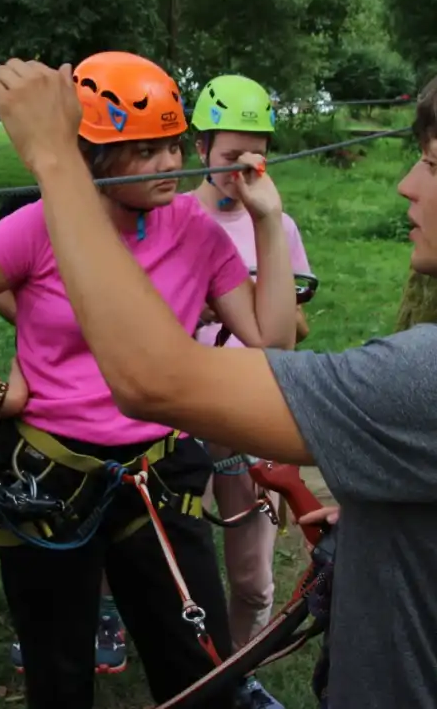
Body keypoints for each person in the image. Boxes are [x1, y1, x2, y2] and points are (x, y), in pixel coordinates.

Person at [0, 54, 437, 709]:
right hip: (54, 469)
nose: (407, 184)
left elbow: (154, 377)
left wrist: (55, 159)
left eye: (432, 164)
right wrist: (393, 522)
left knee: (186, 654)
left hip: (152, 466)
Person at [0, 51, 298, 709]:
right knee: (59, 677)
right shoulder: (36, 226)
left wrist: (267, 222)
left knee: (202, 670)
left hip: (160, 473)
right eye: (143, 150)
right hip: (50, 479)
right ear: (91, 156)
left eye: (171, 144)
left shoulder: (192, 228)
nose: (169, 163)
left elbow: (270, 341)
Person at [188, 74, 313, 709]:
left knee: (252, 573)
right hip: (180, 413)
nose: (243, 168)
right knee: (168, 555)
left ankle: (241, 672)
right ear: (201, 145)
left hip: (248, 410)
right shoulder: (172, 218)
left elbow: (291, 325)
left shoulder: (278, 225)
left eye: (255, 154)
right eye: (230, 153)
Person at [0, 190, 129, 676]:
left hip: (108, 417)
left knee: (108, 522)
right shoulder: (26, 218)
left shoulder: (108, 224)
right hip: (40, 432)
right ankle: (45, 632)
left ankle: (103, 615)